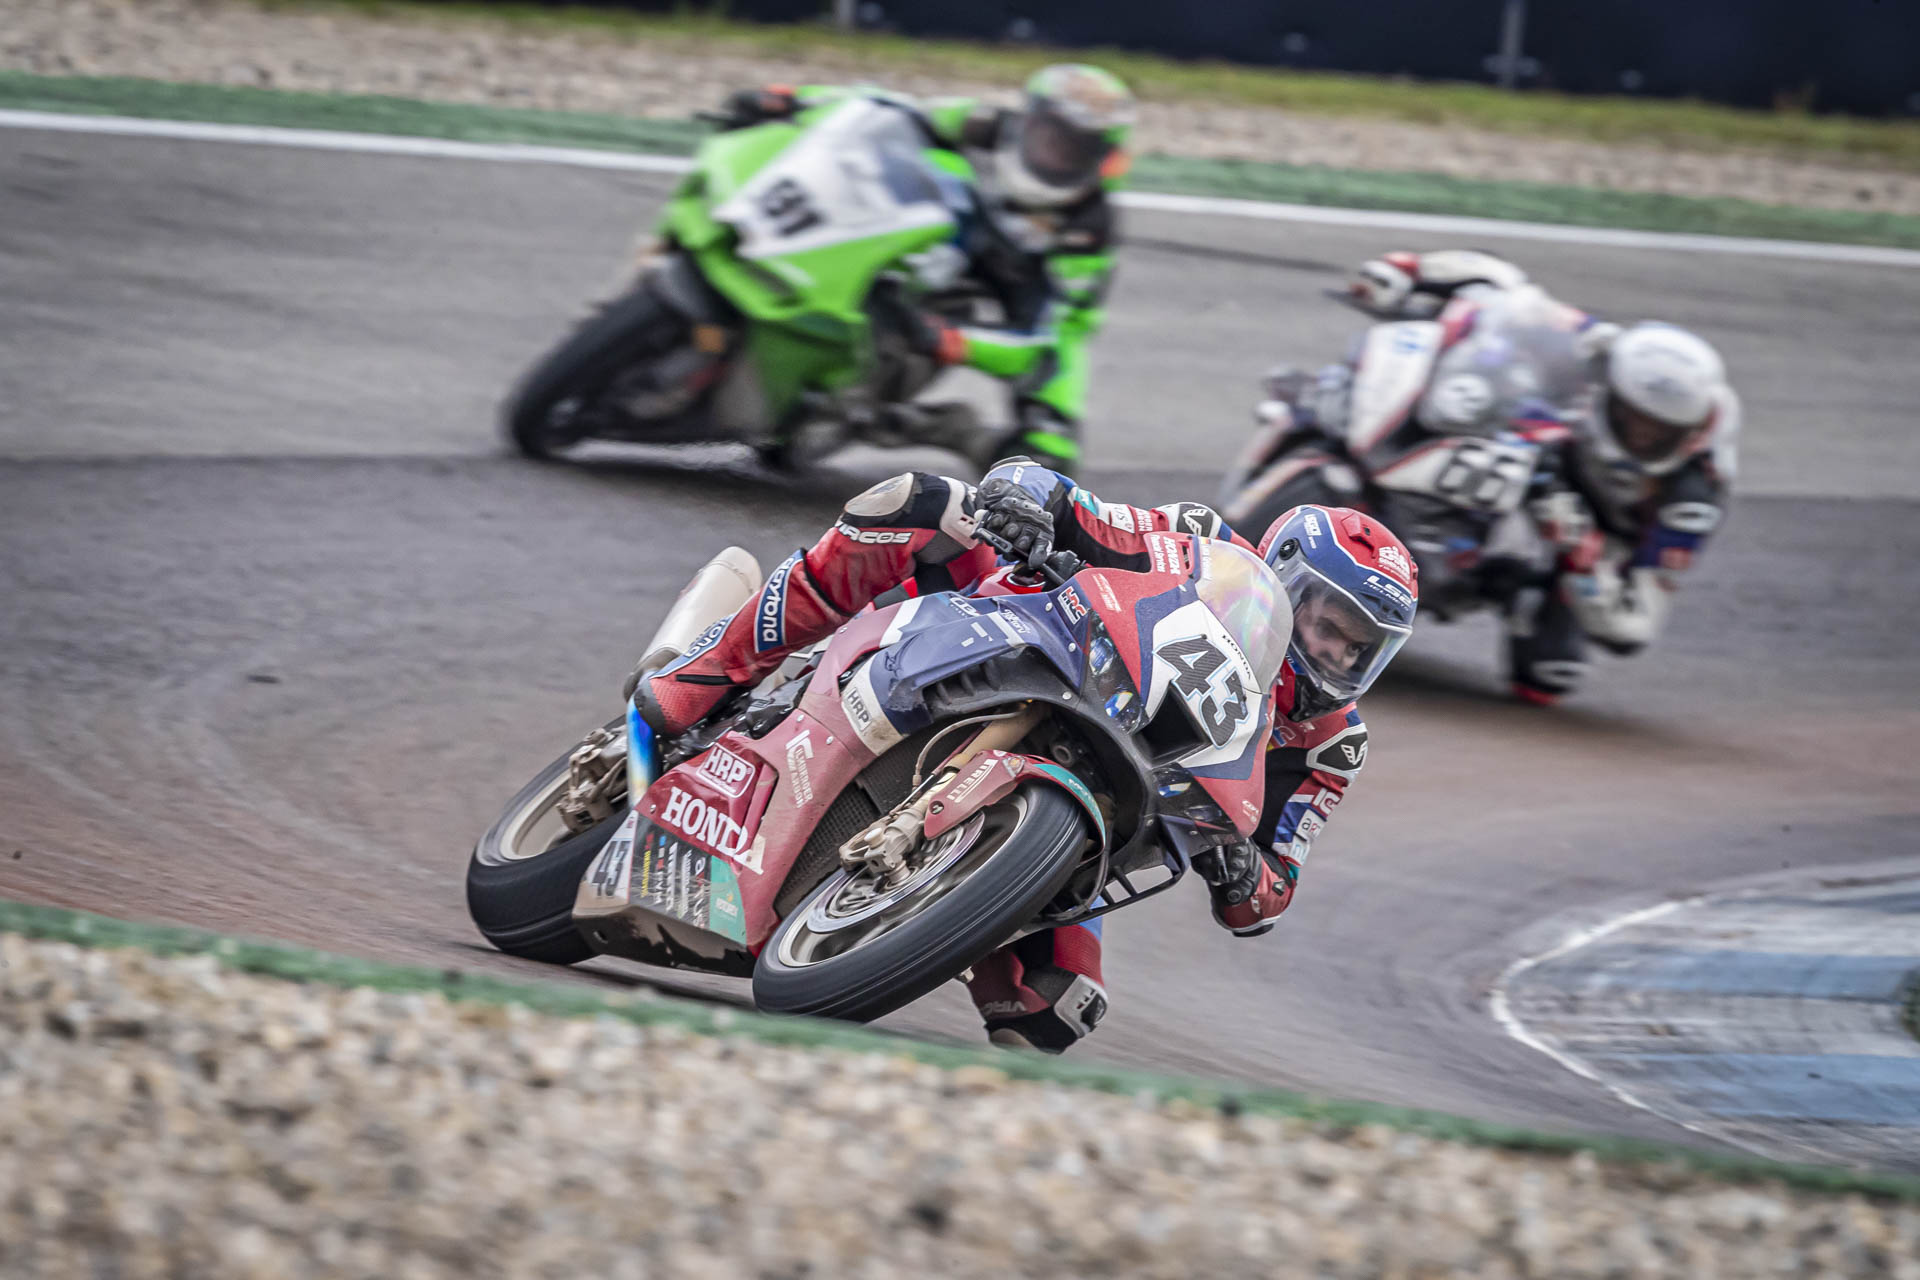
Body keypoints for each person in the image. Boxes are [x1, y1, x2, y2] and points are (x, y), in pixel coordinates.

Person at [637, 460, 1417, 1052]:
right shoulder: (1203, 544)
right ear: (1285, 581)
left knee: (1052, 1011)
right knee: (923, 504)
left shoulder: (1331, 744)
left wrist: (1244, 872)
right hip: (1026, 642)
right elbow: (1084, 510)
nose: (1336, 657)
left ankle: (919, 907)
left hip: (1103, 812)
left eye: (1361, 650)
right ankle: (704, 674)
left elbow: (1272, 892)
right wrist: (1026, 495)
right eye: (1329, 625)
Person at [1334, 250, 1740, 704]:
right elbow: (1503, 284)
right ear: (1610, 389)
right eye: (1632, 418)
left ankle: (1500, 586)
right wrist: (1411, 268)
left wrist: (1579, 543)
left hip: (1595, 536)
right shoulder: (1599, 349)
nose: (1642, 435)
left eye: (1658, 432)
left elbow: (1633, 627)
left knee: (1547, 675)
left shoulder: (1690, 499)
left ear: (1689, 435)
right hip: (1553, 451)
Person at [714, 64, 1135, 473]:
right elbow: (888, 107)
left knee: (1047, 444)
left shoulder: (1086, 233)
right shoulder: (984, 124)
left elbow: (1060, 334)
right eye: (1046, 135)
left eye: (1070, 149)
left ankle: (909, 419)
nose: (1051, 153)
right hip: (917, 226)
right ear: (1026, 120)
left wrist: (954, 341)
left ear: (1101, 160)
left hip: (989, 283)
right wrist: (792, 99)